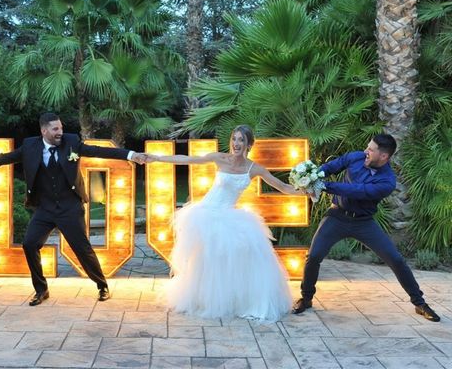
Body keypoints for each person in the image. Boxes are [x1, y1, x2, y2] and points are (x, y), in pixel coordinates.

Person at [0, 112, 147, 306]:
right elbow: (3, 158)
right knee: (29, 244)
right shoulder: (30, 146)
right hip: (45, 209)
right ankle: (41, 289)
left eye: (61, 128)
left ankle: (101, 285)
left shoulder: (71, 142)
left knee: (82, 249)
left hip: (70, 207)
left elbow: (100, 151)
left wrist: (132, 155)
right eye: (56, 129)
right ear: (44, 130)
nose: (60, 132)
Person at [147, 125, 300, 322]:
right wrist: (157, 158)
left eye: (241, 140)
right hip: (205, 214)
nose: (236, 144)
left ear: (248, 144)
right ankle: (203, 299)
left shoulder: (254, 169)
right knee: (205, 259)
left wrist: (306, 190)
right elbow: (188, 159)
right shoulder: (220, 158)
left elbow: (284, 187)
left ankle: (238, 300)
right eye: (234, 139)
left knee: (242, 255)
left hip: (228, 216)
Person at [292, 134, 441, 322]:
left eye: (371, 149)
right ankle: (306, 299)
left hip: (364, 222)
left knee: (396, 260)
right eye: (367, 147)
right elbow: (331, 167)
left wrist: (325, 186)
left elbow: (358, 191)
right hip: (337, 216)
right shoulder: (356, 157)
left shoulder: (387, 182)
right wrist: (312, 177)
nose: (365, 151)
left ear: (384, 157)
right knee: (313, 256)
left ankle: (420, 303)